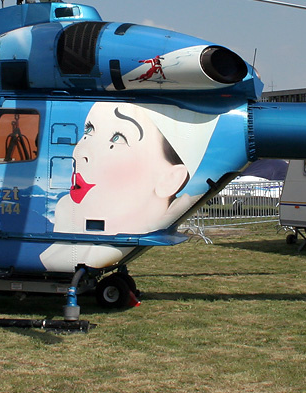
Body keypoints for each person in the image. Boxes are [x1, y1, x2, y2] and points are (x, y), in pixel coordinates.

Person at [42, 101, 219, 272]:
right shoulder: (65, 216)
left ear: (170, 179)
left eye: (117, 138)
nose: (81, 153)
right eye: (89, 130)